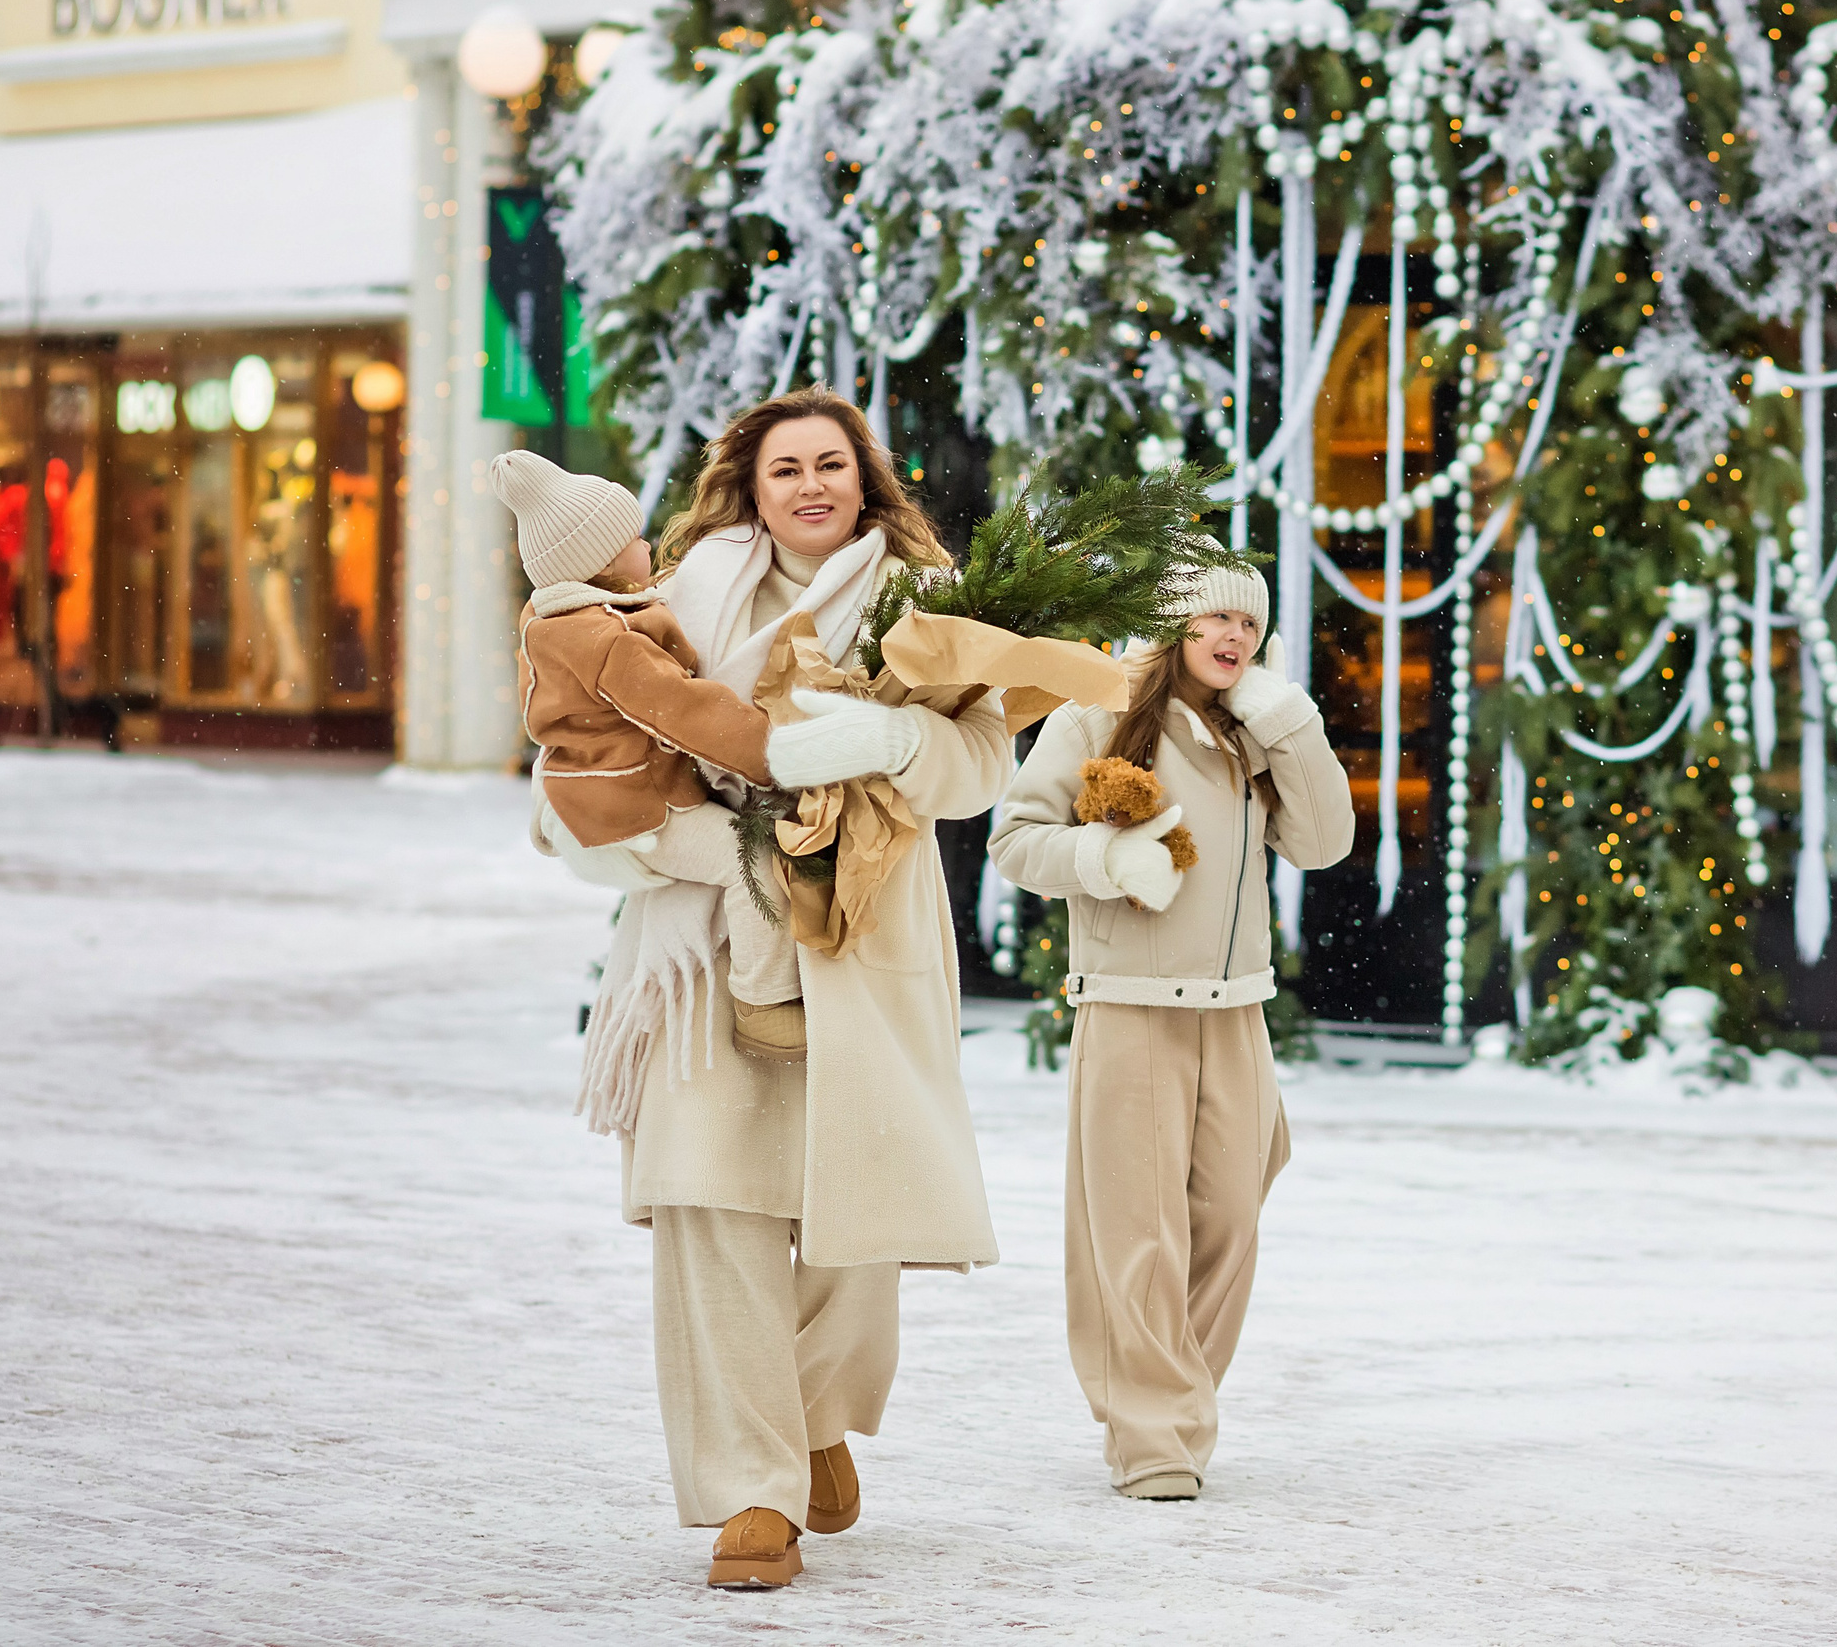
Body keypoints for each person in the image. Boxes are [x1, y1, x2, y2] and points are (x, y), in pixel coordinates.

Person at [532, 387, 1007, 1588]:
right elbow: (589, 740)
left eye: (829, 464)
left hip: (861, 923)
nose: (809, 485)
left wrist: (893, 742)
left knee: (858, 1211)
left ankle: (813, 1410)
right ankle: (753, 1489)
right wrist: (618, 835)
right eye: (785, 467)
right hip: (703, 932)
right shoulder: (676, 598)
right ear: (750, 486)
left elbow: (982, 764)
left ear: (864, 479)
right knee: (713, 1202)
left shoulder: (922, 597)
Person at [988, 554, 1353, 1500]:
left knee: (1231, 1215)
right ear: (1171, 627)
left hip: (1236, 1008)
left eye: (1248, 623)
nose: (1234, 636)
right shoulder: (1096, 714)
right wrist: (1108, 859)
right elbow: (1015, 841)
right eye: (1213, 619)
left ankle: (1166, 1395)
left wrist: (1289, 721)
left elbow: (1323, 843)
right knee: (1138, 1227)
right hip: (1131, 1003)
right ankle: (1153, 1432)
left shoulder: (1253, 730)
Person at [495, 448, 814, 1058]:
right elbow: (684, 710)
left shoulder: (555, 617)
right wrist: (777, 755)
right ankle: (763, 1003)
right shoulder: (608, 641)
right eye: (636, 542)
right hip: (637, 804)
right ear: (603, 567)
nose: (649, 548)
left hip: (589, 793)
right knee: (752, 861)